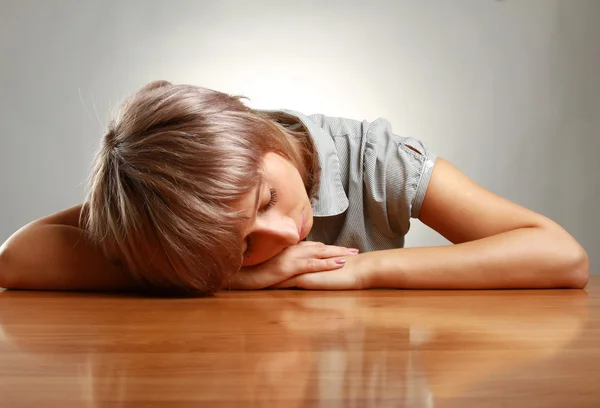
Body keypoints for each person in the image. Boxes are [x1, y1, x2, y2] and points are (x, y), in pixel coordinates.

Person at [0, 81, 589, 296]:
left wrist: (360, 272)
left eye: (264, 201)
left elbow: (559, 255)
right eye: (243, 244)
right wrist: (236, 276)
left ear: (256, 131)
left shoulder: (371, 161)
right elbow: (17, 260)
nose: (283, 236)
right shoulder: (167, 205)